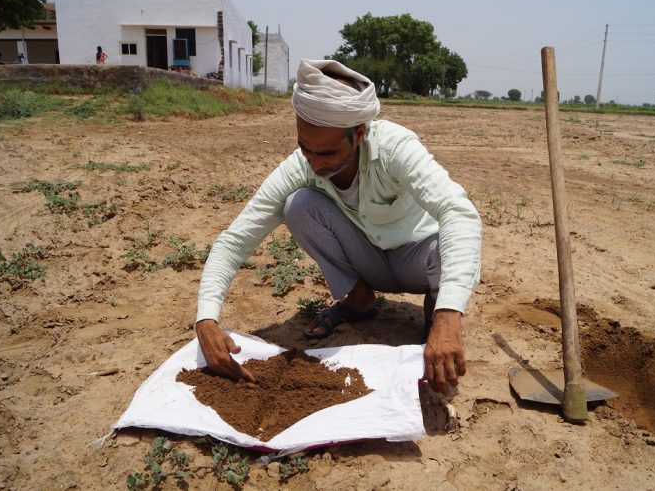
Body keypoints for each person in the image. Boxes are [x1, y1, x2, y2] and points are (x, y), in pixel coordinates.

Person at [195, 59, 482, 395]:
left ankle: (436, 314)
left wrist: (449, 315)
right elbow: (235, 240)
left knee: (448, 242)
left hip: (417, 262)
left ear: (358, 133)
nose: (316, 164)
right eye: (306, 149)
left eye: (328, 153)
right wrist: (206, 318)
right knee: (299, 205)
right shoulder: (302, 166)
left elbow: (459, 213)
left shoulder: (395, 147)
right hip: (369, 262)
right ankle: (358, 301)